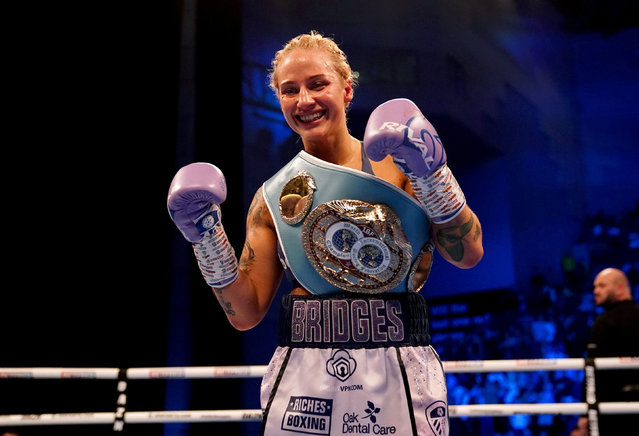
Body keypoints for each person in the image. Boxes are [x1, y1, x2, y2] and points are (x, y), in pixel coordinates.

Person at [168, 30, 483, 435]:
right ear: (279, 100)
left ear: (347, 90)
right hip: (304, 373)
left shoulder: (401, 163)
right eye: (289, 90)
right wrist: (206, 239)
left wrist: (433, 176)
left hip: (397, 364)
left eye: (318, 84)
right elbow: (245, 313)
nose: (304, 100)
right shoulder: (271, 197)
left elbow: (468, 253)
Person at [574, 267, 639, 435]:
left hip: (613, 410)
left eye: (602, 286)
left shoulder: (604, 323)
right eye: (595, 287)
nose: (596, 291)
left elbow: (592, 370)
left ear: (619, 288)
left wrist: (586, 411)